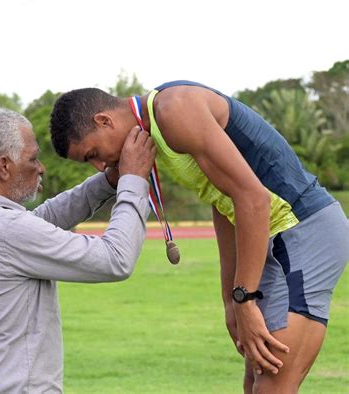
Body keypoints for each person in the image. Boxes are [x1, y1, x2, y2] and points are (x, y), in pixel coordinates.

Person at [49, 81, 349, 393]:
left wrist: (245, 299)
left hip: (305, 231)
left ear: (104, 120)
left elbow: (253, 199)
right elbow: (225, 204)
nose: (102, 166)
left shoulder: (174, 110)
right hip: (274, 240)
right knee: (254, 381)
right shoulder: (157, 130)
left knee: (272, 386)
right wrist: (230, 299)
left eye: (94, 154)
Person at [0, 107, 156, 392]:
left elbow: (36, 223)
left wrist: (107, 182)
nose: (41, 167)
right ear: (4, 166)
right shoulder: (7, 229)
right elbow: (115, 259)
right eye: (33, 158)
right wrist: (133, 181)